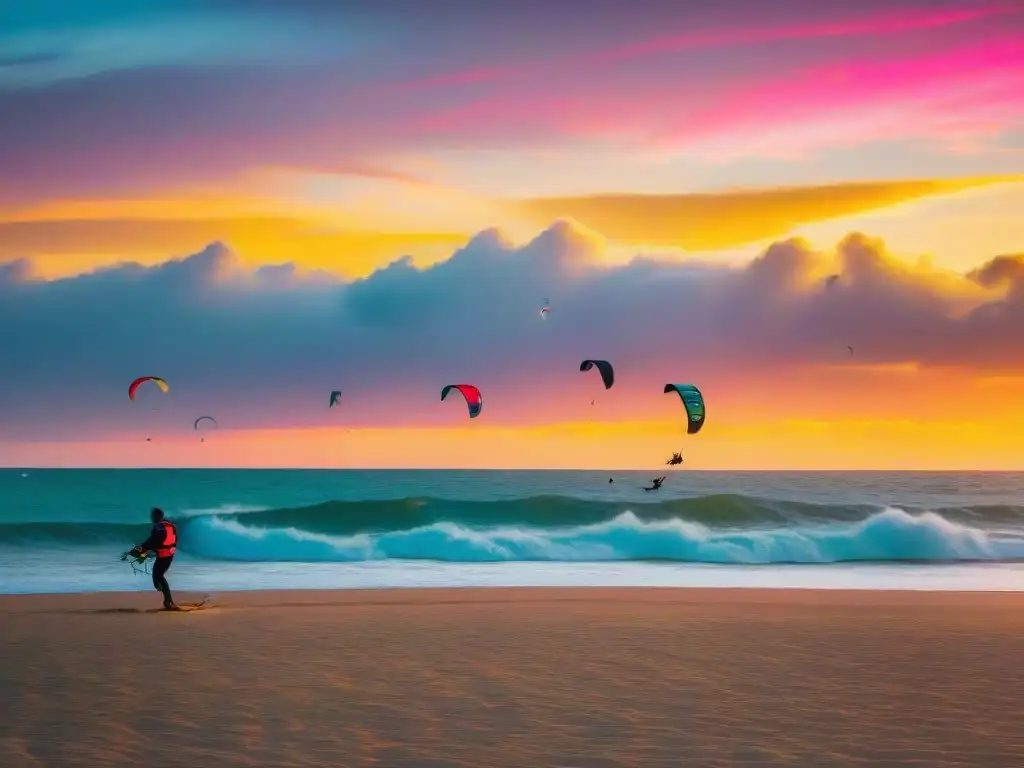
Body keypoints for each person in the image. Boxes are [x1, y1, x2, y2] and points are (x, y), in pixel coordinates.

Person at [128, 507, 178, 610]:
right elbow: (172, 540)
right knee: (157, 576)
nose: (152, 518)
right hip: (168, 555)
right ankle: (166, 598)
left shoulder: (159, 528)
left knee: (158, 576)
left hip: (163, 556)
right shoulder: (171, 525)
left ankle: (168, 601)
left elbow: (152, 542)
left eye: (153, 516)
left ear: (157, 516)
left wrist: (141, 550)